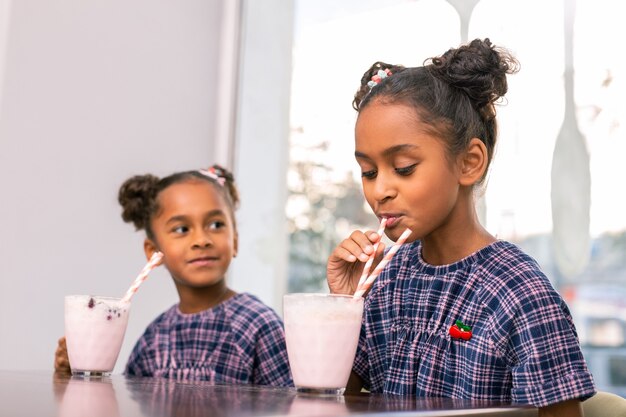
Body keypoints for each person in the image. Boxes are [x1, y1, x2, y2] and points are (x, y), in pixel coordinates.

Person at [326, 39, 595, 416]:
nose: (380, 191)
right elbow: (334, 403)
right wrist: (345, 307)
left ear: (469, 162)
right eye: (368, 172)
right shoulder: (386, 282)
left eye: (403, 167)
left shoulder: (519, 294)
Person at [55, 165, 293, 386]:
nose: (202, 240)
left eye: (216, 224)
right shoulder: (153, 339)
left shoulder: (259, 326)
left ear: (235, 241)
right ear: (153, 252)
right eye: (182, 229)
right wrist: (72, 379)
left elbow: (292, 406)